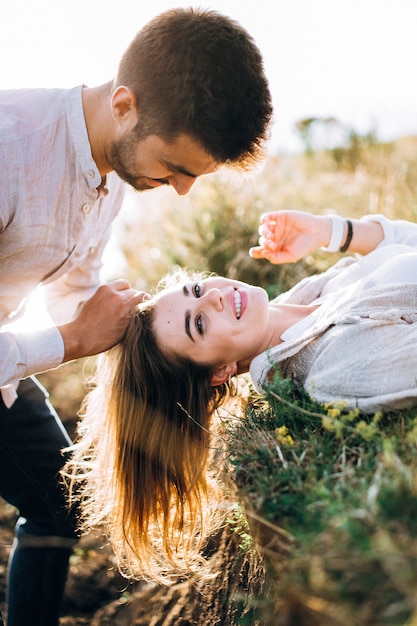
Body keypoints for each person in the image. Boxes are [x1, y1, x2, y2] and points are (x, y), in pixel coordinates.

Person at [0, 6, 273, 625]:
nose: (181, 190)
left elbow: (74, 290)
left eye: (194, 175)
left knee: (56, 504)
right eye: (176, 168)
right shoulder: (7, 150)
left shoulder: (113, 166)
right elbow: (70, 328)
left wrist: (161, 330)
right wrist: (70, 341)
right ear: (124, 104)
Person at [65, 209, 417, 585]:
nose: (214, 296)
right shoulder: (330, 366)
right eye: (198, 324)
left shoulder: (309, 296)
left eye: (196, 290)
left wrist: (331, 231)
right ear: (220, 371)